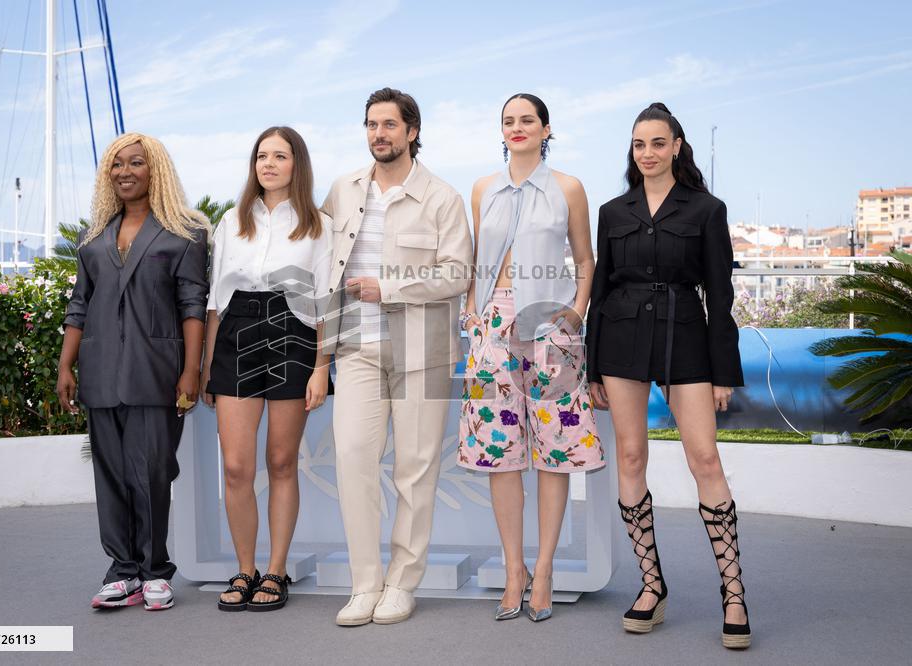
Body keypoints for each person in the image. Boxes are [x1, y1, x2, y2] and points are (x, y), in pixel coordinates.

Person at [585, 102, 750, 649]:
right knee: (631, 456)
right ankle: (651, 586)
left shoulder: (706, 209)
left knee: (705, 458)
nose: (648, 153)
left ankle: (733, 593)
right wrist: (592, 366)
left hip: (687, 338)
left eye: (658, 143)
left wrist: (723, 372)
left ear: (676, 146)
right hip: (621, 339)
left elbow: (720, 295)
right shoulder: (613, 212)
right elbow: (601, 290)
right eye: (639, 144)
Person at [320, 87, 473, 626]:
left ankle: (402, 583)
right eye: (371, 124)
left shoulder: (442, 197)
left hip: (422, 351)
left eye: (389, 124)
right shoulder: (343, 190)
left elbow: (458, 273)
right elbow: (322, 262)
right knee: (353, 459)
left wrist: (388, 287)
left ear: (412, 131)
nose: (378, 134)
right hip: (354, 347)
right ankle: (365, 584)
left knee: (415, 469)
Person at [457, 93, 604, 622]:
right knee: (500, 452)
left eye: (527, 120)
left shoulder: (568, 187)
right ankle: (513, 570)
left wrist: (576, 313)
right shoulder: (483, 189)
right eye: (508, 121)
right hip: (491, 327)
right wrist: (473, 315)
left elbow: (585, 259)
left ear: (546, 129)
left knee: (554, 448)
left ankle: (543, 571)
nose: (517, 127)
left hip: (550, 326)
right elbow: (478, 258)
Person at [57, 132, 209, 611]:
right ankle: (122, 571)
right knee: (111, 475)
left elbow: (192, 306)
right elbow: (79, 305)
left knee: (152, 473)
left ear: (154, 170)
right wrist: (65, 365)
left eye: (136, 163)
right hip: (100, 372)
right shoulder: (92, 239)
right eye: (117, 164)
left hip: (156, 373)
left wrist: (191, 370)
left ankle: (155, 570)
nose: (125, 172)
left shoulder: (184, 235)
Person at [199, 126, 333, 612]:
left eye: (280, 156)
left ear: (298, 164)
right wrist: (207, 367)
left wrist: (321, 367)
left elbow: (326, 302)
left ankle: (275, 571)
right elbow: (215, 301)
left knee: (280, 461)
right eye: (262, 156)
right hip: (236, 332)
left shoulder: (319, 225)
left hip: (293, 332)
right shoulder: (231, 221)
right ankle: (245, 569)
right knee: (236, 466)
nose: (269, 164)